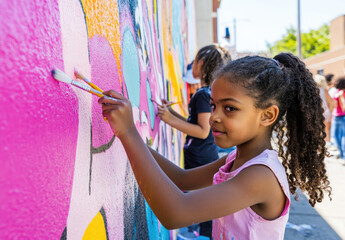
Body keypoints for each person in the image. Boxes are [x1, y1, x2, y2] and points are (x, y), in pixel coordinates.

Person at [99, 52, 332, 239]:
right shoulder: (236, 159)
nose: (214, 117)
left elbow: (176, 212)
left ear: (267, 115)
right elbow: (181, 179)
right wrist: (125, 134)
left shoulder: (261, 175)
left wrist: (129, 132)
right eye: (213, 106)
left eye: (229, 108)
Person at [157, 44, 231, 238]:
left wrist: (170, 120)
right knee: (204, 204)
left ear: (202, 64)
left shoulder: (202, 95)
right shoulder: (208, 94)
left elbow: (202, 131)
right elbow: (195, 124)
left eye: (194, 61)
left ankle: (205, 235)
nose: (191, 66)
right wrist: (171, 113)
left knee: (204, 206)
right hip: (203, 156)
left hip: (201, 157)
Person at [314, 74, 334, 143]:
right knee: (326, 130)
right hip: (325, 111)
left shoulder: (312, 90)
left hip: (316, 112)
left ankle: (320, 144)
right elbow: (331, 101)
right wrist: (330, 112)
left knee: (318, 130)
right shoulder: (324, 90)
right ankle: (327, 143)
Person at [332, 76, 345, 160]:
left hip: (343, 116)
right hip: (336, 116)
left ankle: (343, 156)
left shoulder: (342, 93)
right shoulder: (337, 91)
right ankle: (341, 155)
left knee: (343, 137)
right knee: (336, 136)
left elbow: (343, 107)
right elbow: (335, 105)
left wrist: (341, 98)